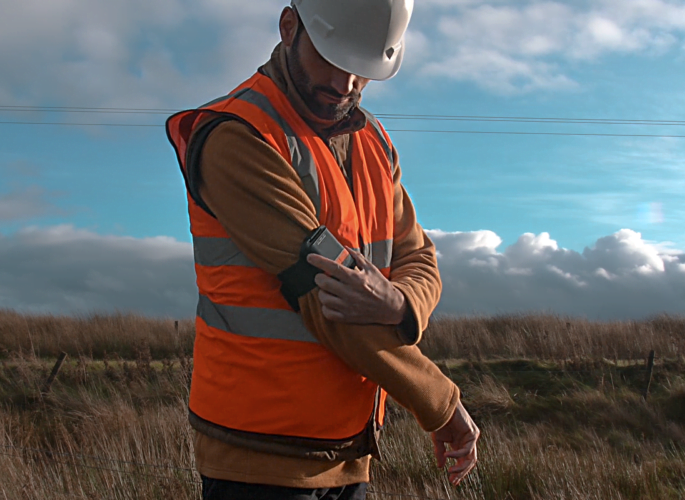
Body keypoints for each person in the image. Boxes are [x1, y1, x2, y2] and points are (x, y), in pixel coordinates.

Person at [165, 0, 480, 498]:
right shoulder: (237, 136)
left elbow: (420, 258)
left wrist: (401, 303)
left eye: (362, 70)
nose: (345, 84)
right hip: (259, 462)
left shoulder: (373, 140)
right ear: (290, 27)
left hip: (347, 455)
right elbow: (328, 299)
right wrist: (440, 402)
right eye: (331, 59)